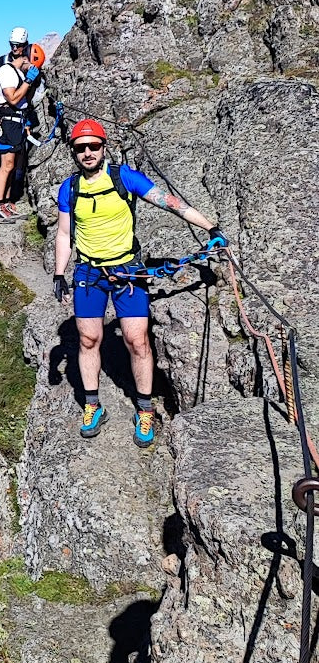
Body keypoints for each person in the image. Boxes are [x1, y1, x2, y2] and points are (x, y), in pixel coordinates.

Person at [52, 118, 226, 447]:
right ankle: (92, 406)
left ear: (103, 147)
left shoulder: (124, 178)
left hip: (128, 271)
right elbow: (64, 233)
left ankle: (144, 409)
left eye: (93, 146)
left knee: (137, 340)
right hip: (88, 274)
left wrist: (210, 227)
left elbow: (170, 202)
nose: (88, 153)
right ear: (74, 152)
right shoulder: (70, 188)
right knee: (88, 339)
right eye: (80, 148)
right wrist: (60, 272)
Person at [0, 27, 41, 222]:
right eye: (14, 45)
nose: (15, 48)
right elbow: (12, 99)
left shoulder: (18, 73)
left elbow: (25, 101)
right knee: (7, 165)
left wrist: (30, 81)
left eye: (18, 45)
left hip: (18, 122)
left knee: (14, 164)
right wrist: (29, 80)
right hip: (8, 123)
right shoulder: (7, 71)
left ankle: (8, 203)